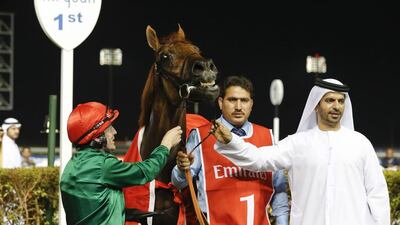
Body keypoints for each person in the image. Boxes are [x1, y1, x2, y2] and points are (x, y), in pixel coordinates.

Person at [211, 78, 390, 225]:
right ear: (316, 105)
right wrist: (231, 141)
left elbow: (377, 194)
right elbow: (259, 159)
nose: (336, 106)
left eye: (340, 101)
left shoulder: (360, 143)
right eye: (329, 100)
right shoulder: (298, 144)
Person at [172, 76, 289, 225]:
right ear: (221, 103)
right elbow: (178, 183)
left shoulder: (267, 137)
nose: (239, 107)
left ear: (251, 104)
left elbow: (278, 191)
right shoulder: (201, 135)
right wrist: (182, 169)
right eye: (232, 100)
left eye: (244, 100)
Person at [60, 102, 183, 225]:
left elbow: (94, 210)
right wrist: (166, 145)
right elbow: (146, 171)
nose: (115, 132)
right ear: (97, 137)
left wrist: (131, 213)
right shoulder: (102, 165)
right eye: (109, 128)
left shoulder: (71, 166)